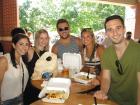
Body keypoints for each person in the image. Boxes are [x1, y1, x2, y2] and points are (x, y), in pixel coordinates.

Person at [94, 15, 140, 105]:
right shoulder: (107, 53)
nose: (114, 33)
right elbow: (106, 78)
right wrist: (103, 91)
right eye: (110, 29)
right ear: (106, 33)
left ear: (124, 29)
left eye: (118, 28)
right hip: (111, 101)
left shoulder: (138, 50)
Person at [0, 33, 30, 105]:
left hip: (20, 98)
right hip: (6, 101)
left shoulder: (23, 59)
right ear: (13, 45)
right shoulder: (4, 60)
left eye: (26, 44)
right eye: (21, 44)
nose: (24, 47)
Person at [23, 29, 50, 105]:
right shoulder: (30, 51)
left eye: (46, 38)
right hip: (31, 89)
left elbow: (45, 72)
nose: (44, 40)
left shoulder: (46, 53)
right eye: (41, 38)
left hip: (41, 87)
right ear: (37, 39)